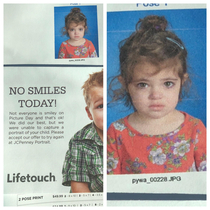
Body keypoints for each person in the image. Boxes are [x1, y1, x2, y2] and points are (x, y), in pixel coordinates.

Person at [107, 15, 206, 175]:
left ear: (182, 81)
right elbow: (111, 190)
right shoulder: (117, 133)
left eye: (168, 83)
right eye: (143, 85)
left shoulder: (196, 129)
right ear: (125, 84)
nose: (156, 95)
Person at [62, 70, 103, 192]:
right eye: (100, 106)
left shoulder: (129, 135)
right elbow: (79, 190)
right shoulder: (80, 142)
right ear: (89, 113)